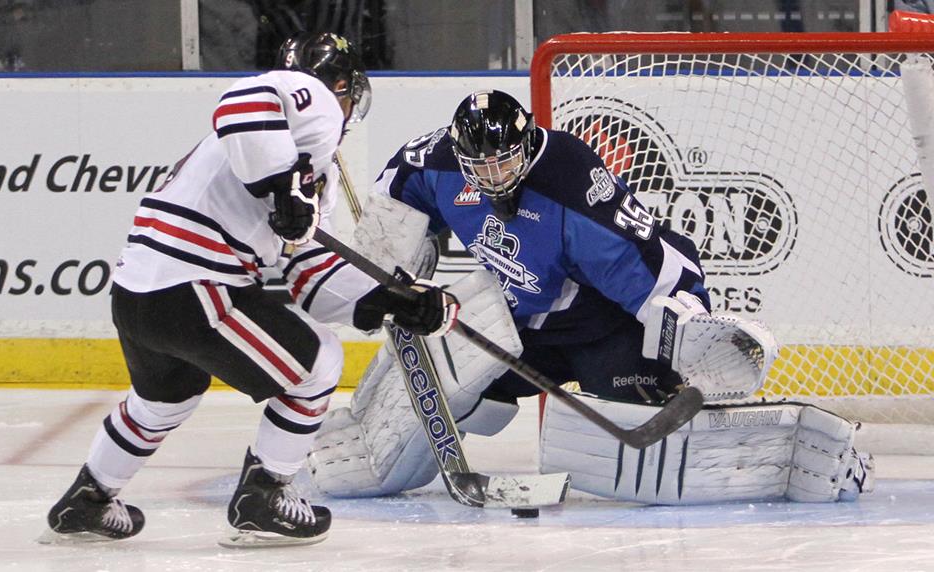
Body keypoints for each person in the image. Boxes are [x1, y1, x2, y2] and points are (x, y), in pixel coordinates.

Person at [307, 90, 874, 506]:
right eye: (478, 165)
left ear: (527, 144)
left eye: (503, 162)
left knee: (654, 455)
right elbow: (396, 187)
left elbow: (649, 262)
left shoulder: (570, 182)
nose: (491, 176)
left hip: (602, 329)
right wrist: (399, 260)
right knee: (433, 365)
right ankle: (363, 443)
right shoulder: (437, 161)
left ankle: (801, 452)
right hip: (518, 327)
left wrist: (686, 326)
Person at [41, 32, 458, 548]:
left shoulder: (311, 171)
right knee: (319, 362)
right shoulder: (311, 105)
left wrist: (390, 301)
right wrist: (281, 184)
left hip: (139, 295)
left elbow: (312, 279)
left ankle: (89, 498)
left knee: (164, 400)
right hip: (194, 285)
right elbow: (246, 98)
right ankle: (264, 496)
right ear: (343, 86)